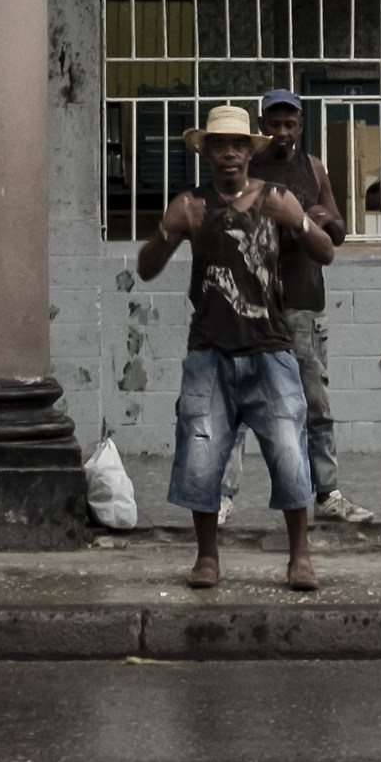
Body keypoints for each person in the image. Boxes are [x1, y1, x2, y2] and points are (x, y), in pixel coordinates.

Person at [137, 103, 332, 593]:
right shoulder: (192, 205)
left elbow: (326, 251)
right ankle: (207, 557)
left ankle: (300, 557)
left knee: (290, 453)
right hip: (209, 351)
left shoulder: (276, 198)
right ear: (207, 153)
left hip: (271, 349)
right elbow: (145, 268)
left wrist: (300, 221)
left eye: (238, 145)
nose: (229, 154)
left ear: (251, 150)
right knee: (201, 455)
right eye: (219, 146)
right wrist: (167, 227)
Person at [214, 89, 374, 527]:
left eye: (291, 124)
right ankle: (223, 497)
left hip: (304, 302)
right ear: (262, 127)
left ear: (301, 125)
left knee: (314, 403)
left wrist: (321, 220)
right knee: (239, 404)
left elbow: (338, 232)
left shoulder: (314, 168)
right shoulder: (247, 171)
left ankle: (328, 493)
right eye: (275, 123)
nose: (283, 131)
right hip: (252, 305)